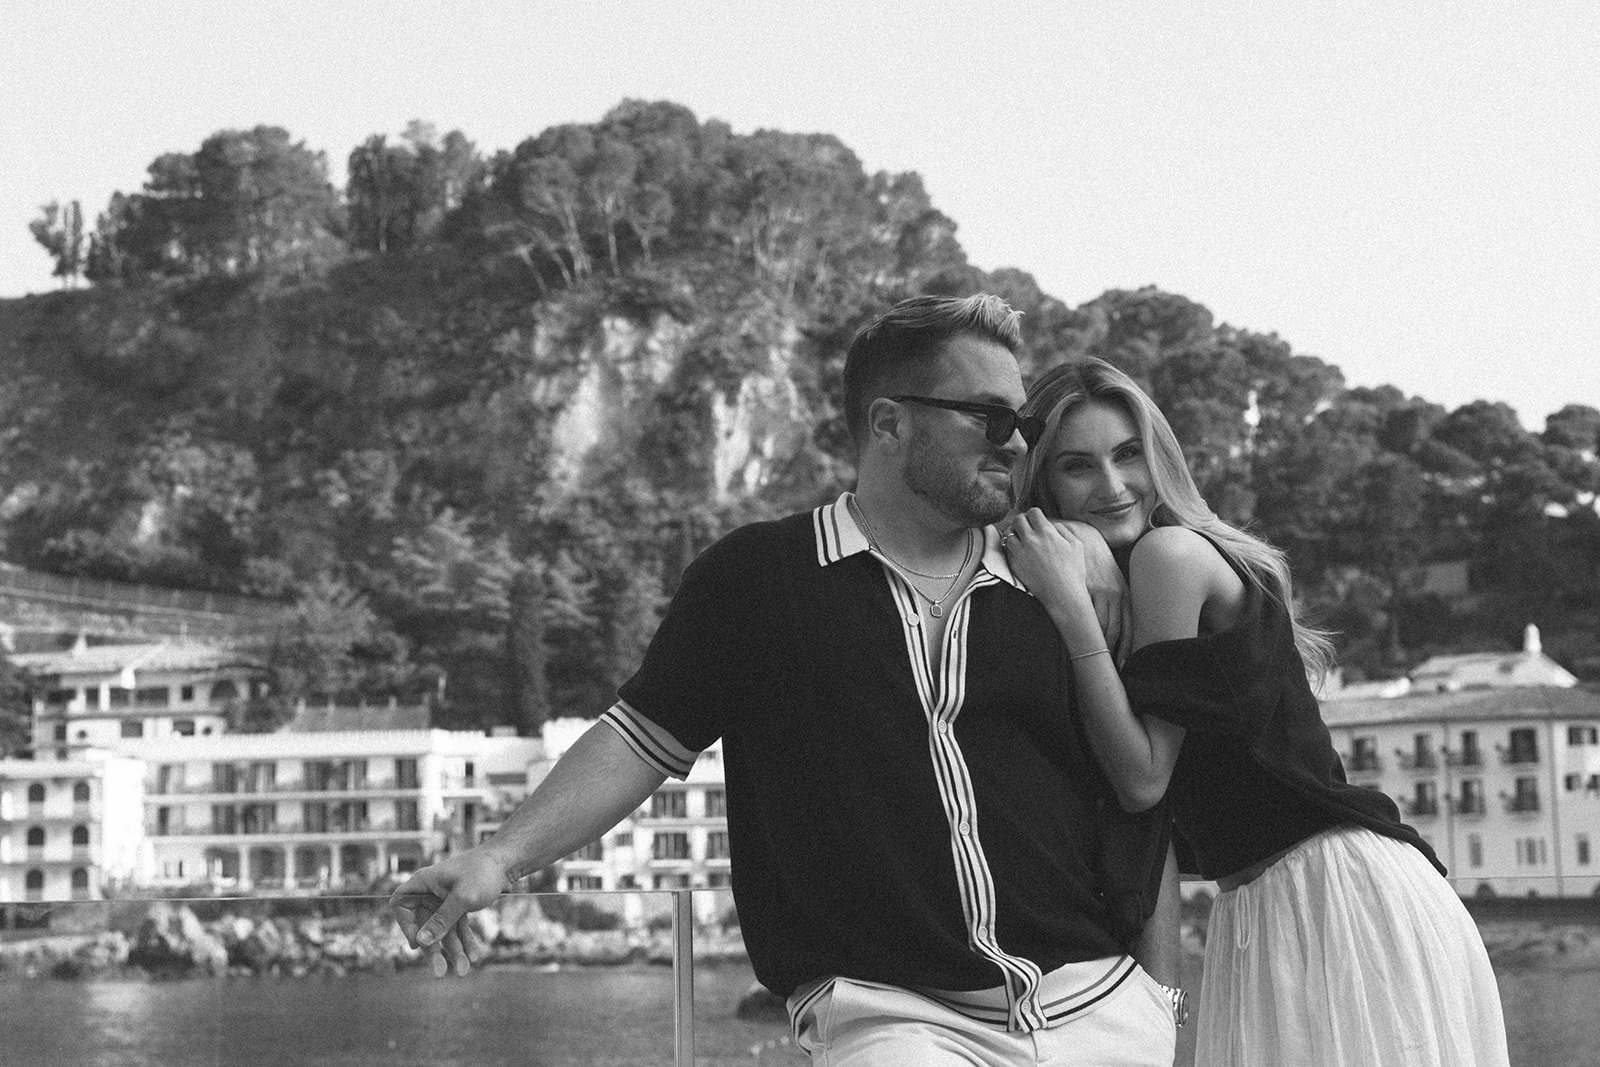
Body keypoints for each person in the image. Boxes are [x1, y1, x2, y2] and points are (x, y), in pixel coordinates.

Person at [390, 296, 1183, 1066]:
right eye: (989, 417)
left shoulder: (1054, 576)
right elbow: (639, 740)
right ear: (888, 423)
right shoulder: (760, 578)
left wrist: (1159, 1007)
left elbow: (1139, 806)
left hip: (1098, 1008)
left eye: (1024, 422)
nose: (1016, 443)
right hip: (898, 1021)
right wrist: (499, 857)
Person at [1000, 356, 1510, 1066]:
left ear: (1159, 459)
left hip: (1334, 897)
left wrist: (1071, 608)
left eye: (1128, 455)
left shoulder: (1169, 556)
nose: (1113, 486)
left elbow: (1143, 778)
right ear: (1045, 483)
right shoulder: (1145, 569)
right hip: (1265, 910)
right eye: (1078, 467)